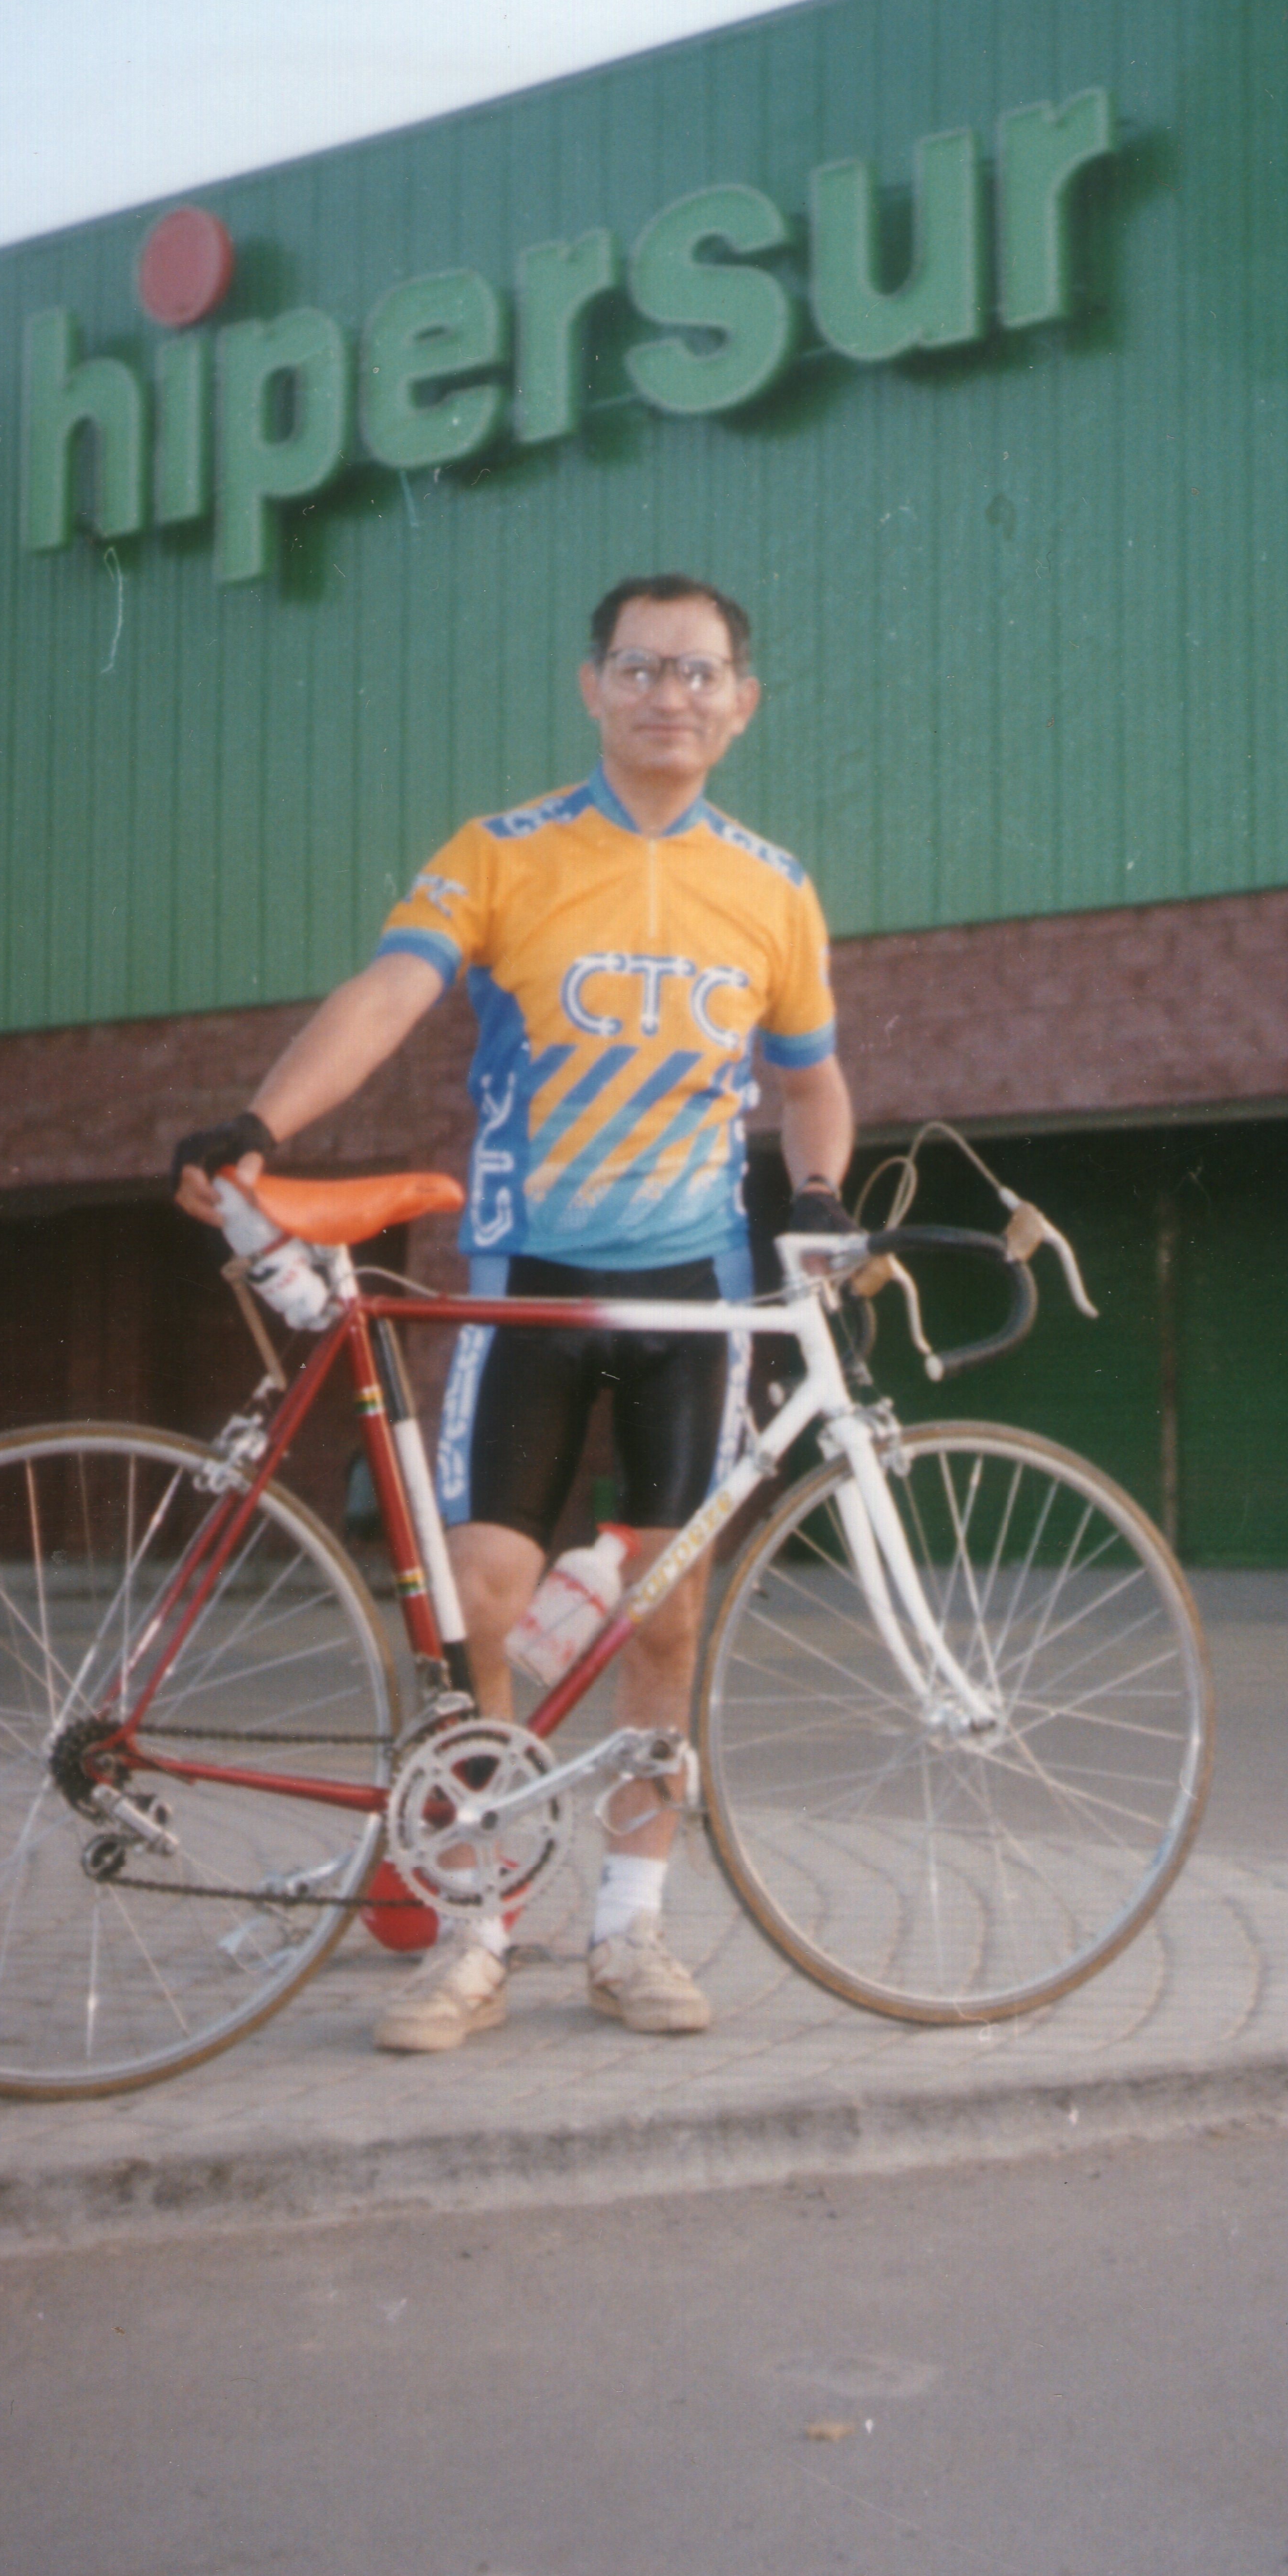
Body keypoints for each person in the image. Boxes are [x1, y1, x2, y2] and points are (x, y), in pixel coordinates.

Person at [174, 575, 853, 2052]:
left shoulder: (774, 885)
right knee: (482, 1593)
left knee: (666, 1608)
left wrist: (816, 1191)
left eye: (698, 669)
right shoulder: (502, 851)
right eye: (638, 665)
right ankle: (478, 1927)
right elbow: (389, 992)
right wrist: (259, 1120)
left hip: (695, 1295)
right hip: (530, 1278)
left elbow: (810, 1077)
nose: (668, 691)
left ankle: (631, 1928)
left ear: (741, 701)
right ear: (591, 687)